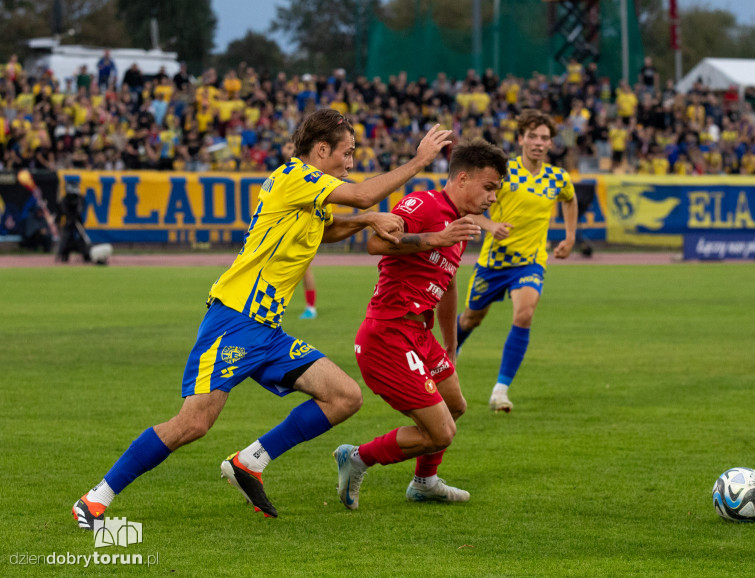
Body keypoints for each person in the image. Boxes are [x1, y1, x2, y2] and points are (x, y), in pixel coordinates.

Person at [72, 110, 452, 530]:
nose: (350, 161)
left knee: (344, 396)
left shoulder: (307, 191)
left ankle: (250, 461)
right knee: (194, 422)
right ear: (321, 150)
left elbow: (325, 230)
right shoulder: (296, 177)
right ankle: (94, 500)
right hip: (235, 318)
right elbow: (362, 195)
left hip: (266, 330)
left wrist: (365, 220)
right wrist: (419, 162)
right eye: (346, 152)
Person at [333, 140, 508, 509]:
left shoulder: (460, 225)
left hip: (419, 334)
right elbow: (375, 243)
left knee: (456, 404)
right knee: (442, 432)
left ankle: (424, 483)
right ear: (462, 179)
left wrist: (450, 344)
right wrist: (436, 238)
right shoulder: (425, 204)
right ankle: (357, 458)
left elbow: (447, 284)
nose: (493, 197)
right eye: (489, 187)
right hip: (388, 333)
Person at [455, 110, 578, 411]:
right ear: (521, 138)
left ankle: (500, 391)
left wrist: (571, 236)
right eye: (532, 136)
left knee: (524, 314)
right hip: (493, 264)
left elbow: (570, 199)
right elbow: (466, 206)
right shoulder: (503, 173)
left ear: (551, 144)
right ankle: (447, 356)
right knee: (472, 318)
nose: (538, 143)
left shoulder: (557, 177)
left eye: (544, 138)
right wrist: (490, 226)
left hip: (530, 261)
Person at [56, 179, 91, 263]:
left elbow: (82, 208)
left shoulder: (80, 199)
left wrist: (76, 217)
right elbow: (62, 211)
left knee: (81, 237)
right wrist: (70, 217)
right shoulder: (65, 199)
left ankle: (87, 255)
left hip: (77, 220)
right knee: (66, 237)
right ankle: (63, 255)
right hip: (69, 221)